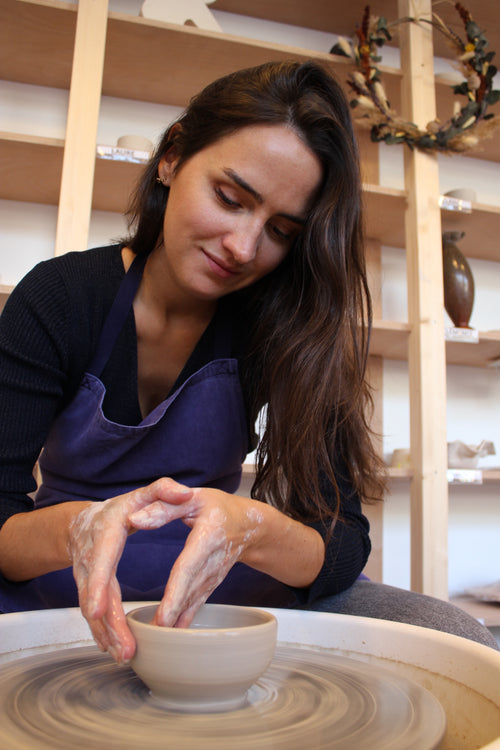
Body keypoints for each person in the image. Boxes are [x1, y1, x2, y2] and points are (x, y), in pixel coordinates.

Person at [0, 61, 496, 659]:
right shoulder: (61, 297)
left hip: (226, 581)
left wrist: (253, 527)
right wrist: (80, 528)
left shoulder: (284, 323)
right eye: (230, 198)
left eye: (281, 230)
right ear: (173, 157)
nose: (243, 248)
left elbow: (340, 540)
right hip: (63, 575)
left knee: (453, 640)